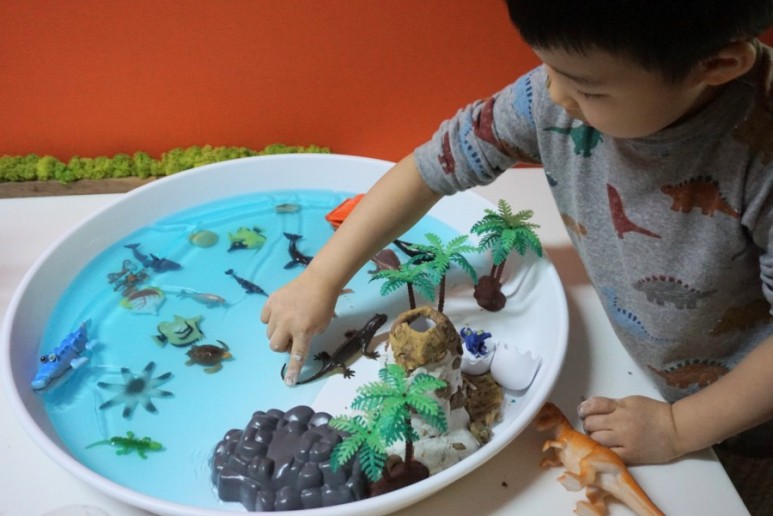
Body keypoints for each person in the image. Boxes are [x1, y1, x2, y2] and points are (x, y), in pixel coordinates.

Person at [261, 1, 773, 512]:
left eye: (589, 89)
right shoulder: (554, 93)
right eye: (547, 67)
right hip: (648, 377)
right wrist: (321, 277)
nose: (554, 95)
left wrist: (681, 428)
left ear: (717, 65)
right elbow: (428, 170)